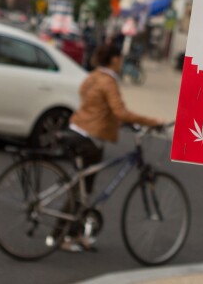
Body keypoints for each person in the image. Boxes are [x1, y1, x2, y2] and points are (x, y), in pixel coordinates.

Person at [63, 43, 164, 251]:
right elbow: (120, 112)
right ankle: (64, 236)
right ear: (115, 60)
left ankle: (76, 233)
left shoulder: (93, 76)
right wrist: (152, 121)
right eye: (120, 58)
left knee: (83, 189)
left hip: (77, 128)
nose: (122, 62)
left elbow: (91, 100)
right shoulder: (108, 81)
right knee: (81, 189)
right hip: (90, 137)